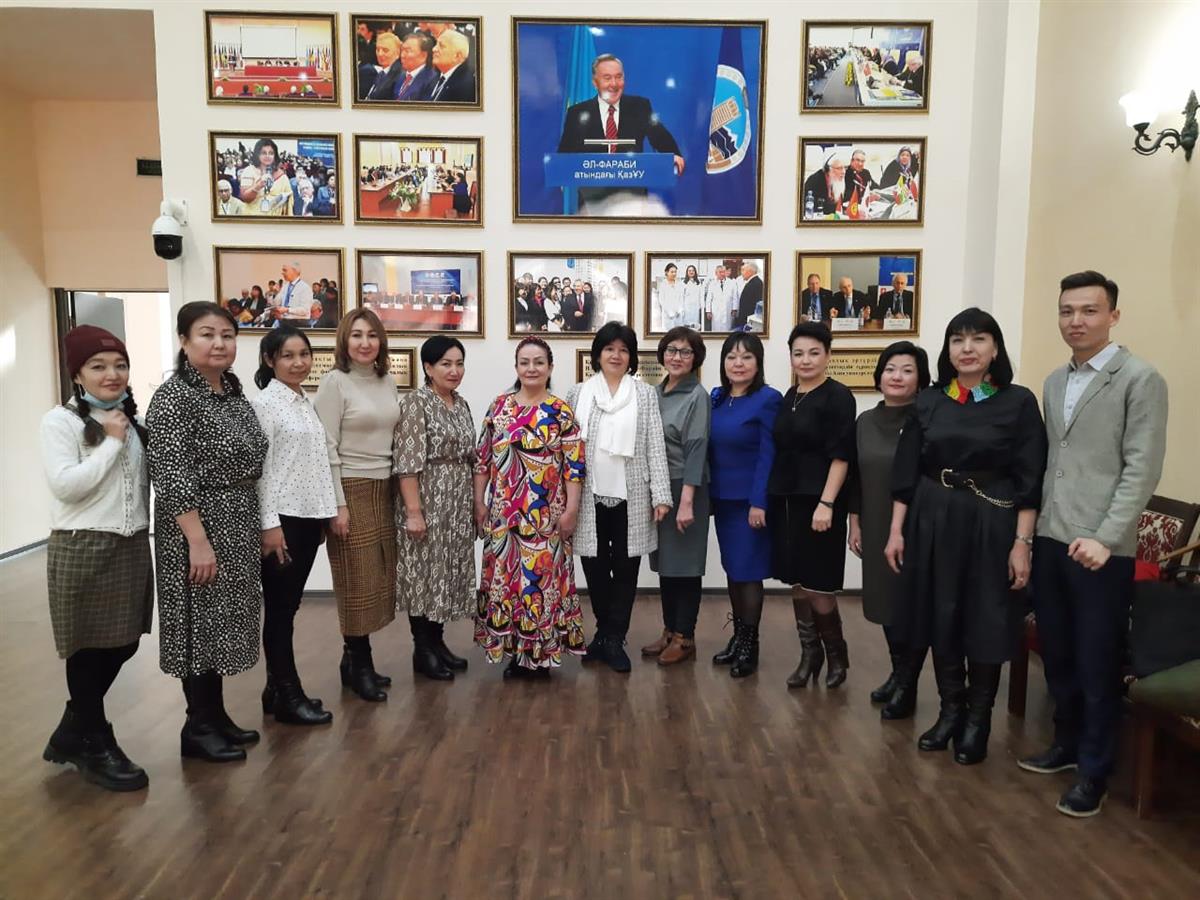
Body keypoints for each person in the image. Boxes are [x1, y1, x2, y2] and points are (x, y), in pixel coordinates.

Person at [1020, 271, 1168, 817]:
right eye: (1066, 311)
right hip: (1052, 537)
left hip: (1101, 548)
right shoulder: (1055, 381)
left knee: (1096, 659)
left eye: (1088, 310)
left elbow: (1141, 468)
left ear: (1113, 316)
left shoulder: (1140, 379)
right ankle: (1065, 744)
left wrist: (1106, 537)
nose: (1075, 321)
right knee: (1057, 651)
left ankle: (1095, 769)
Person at [885, 308, 1048, 766]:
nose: (968, 348)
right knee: (941, 614)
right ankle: (949, 712)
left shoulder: (1017, 402)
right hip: (933, 516)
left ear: (995, 349)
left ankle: (978, 720)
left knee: (986, 615)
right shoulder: (930, 401)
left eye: (978, 339)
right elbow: (906, 472)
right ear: (948, 350)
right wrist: (896, 531)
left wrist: (1022, 543)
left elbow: (1030, 478)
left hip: (992, 519)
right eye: (958, 340)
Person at [147, 302, 269, 763]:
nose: (219, 343)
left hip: (236, 517)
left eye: (227, 335)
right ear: (184, 341)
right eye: (206, 334)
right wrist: (197, 541)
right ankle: (196, 726)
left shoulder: (231, 391)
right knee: (197, 621)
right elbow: (171, 475)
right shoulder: (173, 397)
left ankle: (215, 715)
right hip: (196, 524)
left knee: (223, 621)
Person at [40, 326, 153, 791]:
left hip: (130, 544)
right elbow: (67, 486)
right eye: (98, 366)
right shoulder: (60, 422)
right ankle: (94, 739)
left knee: (125, 643)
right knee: (87, 650)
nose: (112, 374)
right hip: (82, 545)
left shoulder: (129, 419)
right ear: (77, 374)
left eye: (120, 365)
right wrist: (110, 442)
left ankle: (74, 728)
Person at [474, 338, 586, 678]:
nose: (532, 368)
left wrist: (571, 510)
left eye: (539, 362)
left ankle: (541, 656)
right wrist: (479, 502)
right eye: (525, 362)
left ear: (550, 367)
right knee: (507, 583)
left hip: (546, 518)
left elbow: (574, 467)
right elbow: (482, 460)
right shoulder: (499, 407)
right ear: (516, 367)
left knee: (541, 586)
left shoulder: (560, 411)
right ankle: (514, 654)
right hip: (504, 517)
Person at [567, 323, 672, 673]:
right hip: (588, 494)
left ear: (631, 357)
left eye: (623, 349)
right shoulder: (577, 393)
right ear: (598, 354)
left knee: (627, 569)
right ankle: (604, 633)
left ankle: (614, 639)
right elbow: (566, 449)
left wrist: (661, 495)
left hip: (633, 494)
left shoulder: (644, 394)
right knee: (594, 567)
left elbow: (655, 445)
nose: (616, 355)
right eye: (609, 348)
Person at [313, 309, 400, 703]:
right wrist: (338, 504)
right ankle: (359, 662)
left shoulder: (387, 381)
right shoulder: (334, 382)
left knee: (378, 577)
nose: (365, 343)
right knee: (356, 579)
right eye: (357, 335)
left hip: (384, 487)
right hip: (350, 485)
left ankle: (353, 662)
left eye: (372, 335)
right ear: (344, 341)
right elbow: (326, 446)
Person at [251, 326, 335, 727]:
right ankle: (288, 693)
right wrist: (270, 526)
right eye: (288, 355)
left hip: (306, 517)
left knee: (288, 606)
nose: (299, 362)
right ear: (270, 360)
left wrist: (323, 515)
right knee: (281, 610)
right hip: (281, 520)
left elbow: (315, 464)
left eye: (304, 354)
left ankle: (275, 689)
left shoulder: (303, 401)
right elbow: (262, 471)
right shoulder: (265, 405)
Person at [769, 323, 857, 688]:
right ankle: (810, 654)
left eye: (814, 352)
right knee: (797, 581)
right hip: (787, 502)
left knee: (819, 584)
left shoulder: (838, 396)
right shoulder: (790, 395)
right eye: (798, 353)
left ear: (828, 355)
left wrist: (827, 502)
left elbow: (842, 455)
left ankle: (837, 655)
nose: (805, 360)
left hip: (820, 504)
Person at [847, 342, 931, 714]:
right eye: (890, 369)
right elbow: (855, 476)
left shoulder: (927, 420)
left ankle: (908, 684)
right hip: (876, 519)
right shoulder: (865, 421)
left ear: (921, 378)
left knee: (909, 604)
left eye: (907, 370)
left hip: (916, 523)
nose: (897, 377)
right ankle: (898, 673)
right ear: (879, 376)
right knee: (884, 601)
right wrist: (855, 522)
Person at [394, 336, 477, 681]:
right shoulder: (416, 403)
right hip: (427, 499)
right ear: (428, 367)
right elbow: (407, 463)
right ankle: (423, 649)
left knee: (446, 572)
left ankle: (437, 642)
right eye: (446, 364)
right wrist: (414, 512)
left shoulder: (461, 403)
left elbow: (472, 456)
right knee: (424, 575)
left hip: (457, 502)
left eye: (459, 363)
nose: (454, 370)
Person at [708, 333, 782, 678]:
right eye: (731, 357)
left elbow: (769, 455)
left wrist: (759, 502)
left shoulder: (768, 399)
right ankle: (738, 638)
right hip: (722, 500)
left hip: (750, 503)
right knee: (733, 571)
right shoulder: (718, 398)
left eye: (746, 357)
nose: (738, 364)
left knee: (749, 573)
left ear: (758, 362)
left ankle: (750, 648)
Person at [642, 328, 710, 665]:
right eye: (671, 350)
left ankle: (685, 637)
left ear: (695, 358)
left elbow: (697, 450)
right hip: (660, 488)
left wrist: (686, 502)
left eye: (685, 352)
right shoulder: (655, 393)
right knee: (667, 565)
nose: (677, 357)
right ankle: (670, 630)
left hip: (686, 486)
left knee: (686, 565)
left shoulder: (697, 395)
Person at [557, 54, 684, 176]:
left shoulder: (640, 107)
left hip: (632, 188)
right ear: (595, 82)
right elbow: (563, 159)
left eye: (619, 77)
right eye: (607, 78)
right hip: (592, 190)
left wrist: (673, 155)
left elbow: (660, 137)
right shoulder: (577, 113)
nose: (614, 84)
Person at [237, 138, 293, 216]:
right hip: (253, 217)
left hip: (276, 218)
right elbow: (245, 198)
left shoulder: (281, 175)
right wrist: (258, 186)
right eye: (263, 153)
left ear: (275, 156)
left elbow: (289, 198)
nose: (267, 156)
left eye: (271, 153)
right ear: (257, 154)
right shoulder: (249, 171)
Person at [427, 30, 475, 103]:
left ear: (457, 56)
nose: (434, 49)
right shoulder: (434, 77)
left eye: (441, 46)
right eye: (436, 44)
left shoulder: (466, 87)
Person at [358, 32, 408, 101]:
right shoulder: (382, 73)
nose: (380, 54)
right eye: (378, 49)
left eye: (385, 50)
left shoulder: (400, 76)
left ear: (397, 53)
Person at [802, 151, 850, 217]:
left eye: (845, 168)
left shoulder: (839, 180)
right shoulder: (815, 180)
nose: (843, 172)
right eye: (839, 168)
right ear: (828, 169)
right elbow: (816, 206)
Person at [704, 264, 737, 333]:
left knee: (728, 329)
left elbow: (735, 297)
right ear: (716, 273)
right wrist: (708, 311)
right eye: (720, 272)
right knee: (716, 328)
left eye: (724, 272)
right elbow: (709, 298)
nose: (722, 274)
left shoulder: (732, 283)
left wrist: (734, 309)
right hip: (716, 311)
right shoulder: (712, 284)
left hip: (728, 310)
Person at [733, 262, 764, 330]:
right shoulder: (751, 282)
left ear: (750, 272)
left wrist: (749, 321)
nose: (741, 273)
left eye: (743, 270)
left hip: (749, 320)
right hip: (745, 318)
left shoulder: (757, 283)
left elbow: (757, 304)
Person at [656, 263, 685, 331]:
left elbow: (681, 298)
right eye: (672, 272)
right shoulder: (663, 285)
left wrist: (679, 310)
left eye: (675, 272)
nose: (674, 274)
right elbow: (661, 300)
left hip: (678, 314)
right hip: (668, 316)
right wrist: (670, 312)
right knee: (669, 334)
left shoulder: (679, 284)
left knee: (679, 334)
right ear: (667, 272)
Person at [681, 265, 703, 329]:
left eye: (693, 270)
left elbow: (701, 295)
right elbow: (681, 297)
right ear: (687, 272)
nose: (691, 272)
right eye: (689, 271)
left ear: (695, 272)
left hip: (696, 307)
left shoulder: (698, 283)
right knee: (687, 327)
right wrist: (682, 308)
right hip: (686, 308)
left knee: (695, 327)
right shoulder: (683, 283)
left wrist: (701, 306)